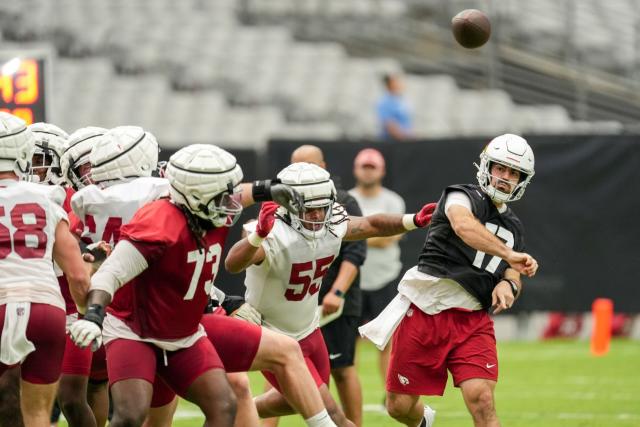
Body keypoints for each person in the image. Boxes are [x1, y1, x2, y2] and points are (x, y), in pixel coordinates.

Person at [66, 144, 308, 427]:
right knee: (130, 415)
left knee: (224, 406)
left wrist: (268, 189)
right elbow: (110, 274)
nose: (231, 201)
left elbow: (238, 193)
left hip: (184, 335)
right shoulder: (159, 223)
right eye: (222, 195)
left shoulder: (207, 209)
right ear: (194, 196)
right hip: (134, 331)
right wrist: (94, 316)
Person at [225, 162, 436, 426]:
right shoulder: (270, 230)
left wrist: (413, 220)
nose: (316, 215)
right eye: (309, 208)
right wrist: (257, 235)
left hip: (311, 331)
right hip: (276, 338)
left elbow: (371, 224)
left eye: (321, 207)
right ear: (289, 204)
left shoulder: (332, 220)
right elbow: (233, 264)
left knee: (295, 400)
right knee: (332, 416)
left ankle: (237, 411)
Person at [360, 134, 540, 427]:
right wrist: (509, 254)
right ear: (487, 167)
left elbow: (511, 271)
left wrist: (510, 285)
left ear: (522, 179)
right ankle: (423, 421)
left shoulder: (514, 226)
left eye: (513, 172)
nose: (505, 178)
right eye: (500, 168)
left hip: (472, 320)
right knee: (399, 406)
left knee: (481, 399)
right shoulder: (460, 196)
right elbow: (464, 226)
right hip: (424, 311)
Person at [0, 112, 92, 426]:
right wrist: (85, 312)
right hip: (46, 309)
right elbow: (78, 274)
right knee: (39, 415)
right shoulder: (47, 196)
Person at [292, 145, 366, 427]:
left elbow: (355, 254)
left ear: (323, 167)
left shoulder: (343, 202)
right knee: (281, 365)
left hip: (332, 303)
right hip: (296, 303)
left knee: (342, 368)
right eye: (296, 166)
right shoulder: (285, 205)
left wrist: (337, 291)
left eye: (308, 166)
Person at [349, 147, 405, 397]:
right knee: (350, 342)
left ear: (381, 171)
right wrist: (375, 232)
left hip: (384, 278)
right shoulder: (347, 199)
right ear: (356, 169)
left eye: (372, 167)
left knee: (388, 341)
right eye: (364, 166)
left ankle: (389, 393)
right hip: (353, 279)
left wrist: (355, 235)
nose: (368, 171)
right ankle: (350, 392)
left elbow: (389, 239)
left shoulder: (392, 201)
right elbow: (380, 237)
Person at [376, 74, 412, 141]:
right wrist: (404, 138)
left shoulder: (400, 100)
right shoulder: (384, 102)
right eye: (395, 82)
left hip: (405, 140)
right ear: (389, 84)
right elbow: (389, 124)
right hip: (392, 141)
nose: (399, 84)